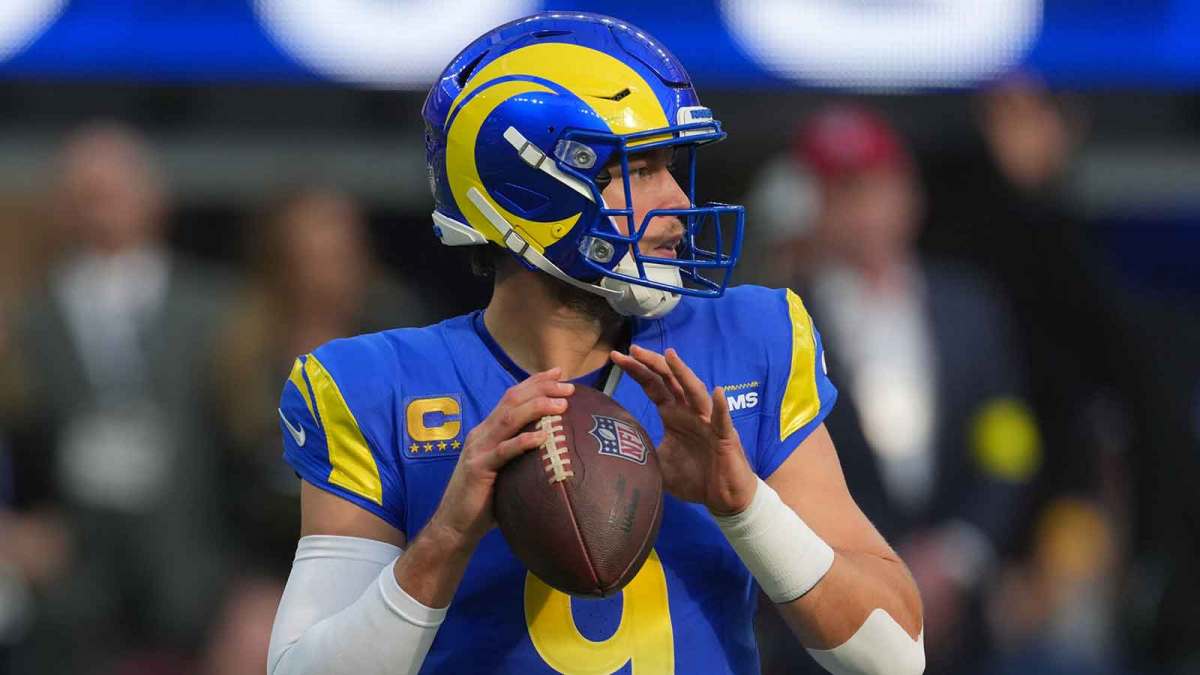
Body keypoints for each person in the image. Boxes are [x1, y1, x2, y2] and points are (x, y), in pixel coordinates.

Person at [267, 13, 923, 675]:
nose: (673, 197)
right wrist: (445, 538)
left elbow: (895, 656)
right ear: (529, 189)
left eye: (669, 165)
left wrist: (746, 505)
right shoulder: (377, 387)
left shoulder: (749, 339)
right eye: (638, 168)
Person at [754, 104, 1038, 674]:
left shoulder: (969, 308)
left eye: (878, 189)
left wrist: (961, 553)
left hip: (961, 625)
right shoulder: (778, 318)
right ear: (813, 205)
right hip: (825, 625)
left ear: (910, 195)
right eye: (844, 193)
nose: (865, 213)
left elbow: (1010, 441)